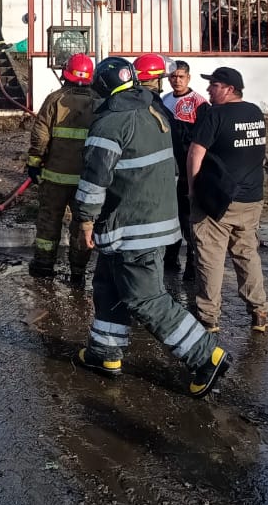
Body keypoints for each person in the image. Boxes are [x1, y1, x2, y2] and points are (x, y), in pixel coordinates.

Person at [71, 57, 230, 398]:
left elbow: (94, 182)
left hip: (133, 227)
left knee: (145, 298)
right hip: (149, 220)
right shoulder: (154, 112)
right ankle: (104, 353)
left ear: (102, 87)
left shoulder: (110, 125)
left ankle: (206, 355)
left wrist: (84, 220)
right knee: (109, 285)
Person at [187, 67, 268, 334]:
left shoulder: (215, 115)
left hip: (217, 200)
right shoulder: (255, 113)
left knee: (210, 257)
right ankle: (259, 311)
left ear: (229, 89)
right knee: (247, 255)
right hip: (251, 198)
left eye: (215, 85)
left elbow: (195, 154)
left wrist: (192, 189)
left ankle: (208, 317)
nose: (209, 89)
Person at [25, 52, 98, 286]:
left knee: (49, 221)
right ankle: (78, 273)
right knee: (83, 225)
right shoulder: (99, 102)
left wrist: (34, 162)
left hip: (55, 177)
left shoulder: (55, 99)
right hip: (86, 180)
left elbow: (40, 134)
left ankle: (44, 266)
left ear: (66, 73)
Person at [161, 59, 208, 279]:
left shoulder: (198, 103)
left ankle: (192, 261)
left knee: (188, 216)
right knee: (171, 215)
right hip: (169, 169)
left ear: (188, 77)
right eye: (173, 77)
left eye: (181, 76)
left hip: (188, 169)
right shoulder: (164, 101)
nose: (176, 81)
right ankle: (170, 257)